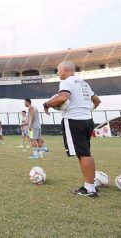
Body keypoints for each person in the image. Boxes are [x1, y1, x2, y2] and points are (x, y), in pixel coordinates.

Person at [43, 61, 101, 197]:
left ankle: (89, 189)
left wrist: (46, 104)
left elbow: (63, 97)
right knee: (86, 152)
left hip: (74, 121)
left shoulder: (66, 82)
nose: (57, 73)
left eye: (58, 70)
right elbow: (97, 101)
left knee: (83, 154)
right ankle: (91, 186)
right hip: (88, 120)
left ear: (65, 69)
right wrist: (86, 110)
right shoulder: (84, 83)